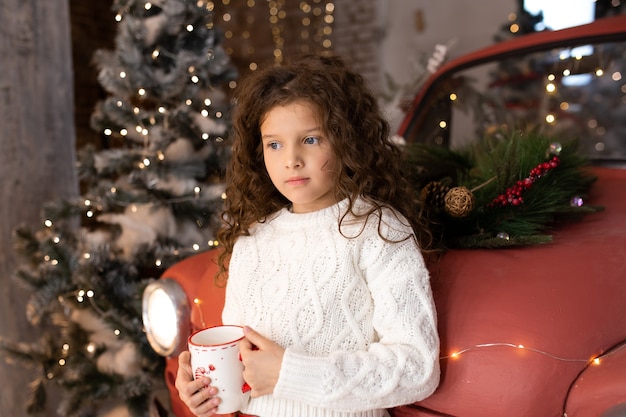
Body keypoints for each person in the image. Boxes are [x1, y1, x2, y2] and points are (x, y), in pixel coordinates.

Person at [175, 54, 440, 417]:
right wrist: (205, 393)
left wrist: (292, 373)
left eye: (311, 139)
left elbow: (417, 370)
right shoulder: (252, 241)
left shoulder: (378, 230)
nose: (292, 160)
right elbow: (243, 372)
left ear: (347, 141)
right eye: (275, 144)